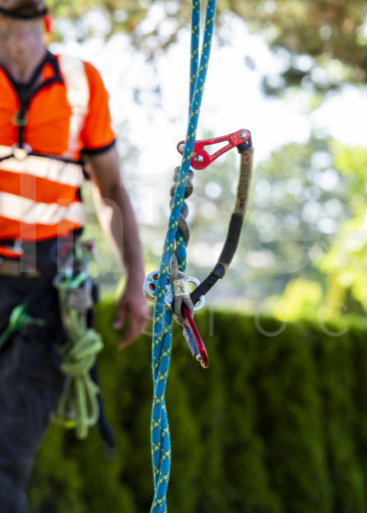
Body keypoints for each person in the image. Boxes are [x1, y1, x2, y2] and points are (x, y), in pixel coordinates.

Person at [0, 1, 149, 511]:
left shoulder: (80, 84)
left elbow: (110, 191)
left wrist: (136, 280)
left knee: (4, 462)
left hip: (45, 287)